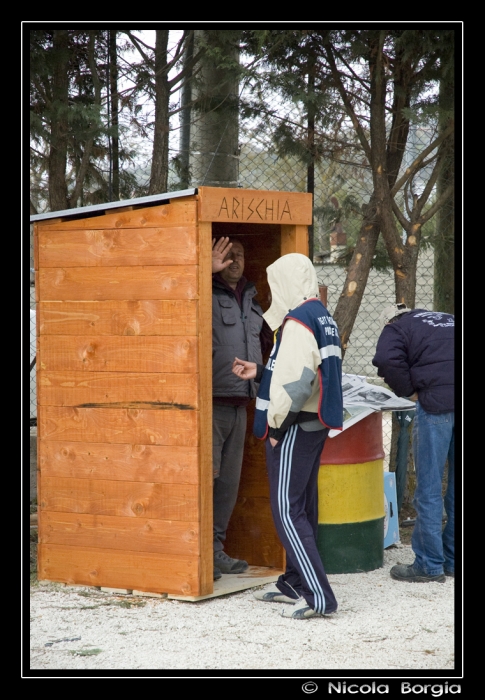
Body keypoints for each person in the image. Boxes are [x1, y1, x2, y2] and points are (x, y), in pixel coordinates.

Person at [232, 253, 343, 619]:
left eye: (275, 283)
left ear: (287, 284)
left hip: (293, 426)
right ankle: (295, 581)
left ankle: (317, 595)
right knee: (304, 504)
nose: (272, 290)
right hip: (312, 423)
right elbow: (303, 374)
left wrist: (277, 427)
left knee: (287, 509)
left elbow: (295, 386)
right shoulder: (321, 316)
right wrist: (262, 371)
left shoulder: (297, 322)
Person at [372, 304, 455, 583]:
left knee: (429, 486)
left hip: (435, 407)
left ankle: (429, 565)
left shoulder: (396, 327)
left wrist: (409, 391)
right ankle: (453, 559)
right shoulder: (448, 319)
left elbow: (385, 359)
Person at [211, 237, 273, 581]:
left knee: (228, 485)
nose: (235, 260)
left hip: (241, 403)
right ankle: (199, 552)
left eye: (240, 254)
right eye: (228, 254)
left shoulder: (250, 296)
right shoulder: (203, 289)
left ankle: (215, 551)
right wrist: (204, 273)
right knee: (206, 480)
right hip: (210, 403)